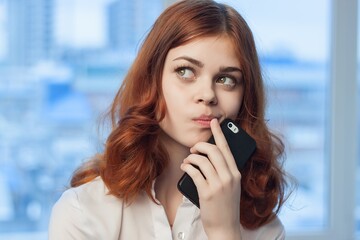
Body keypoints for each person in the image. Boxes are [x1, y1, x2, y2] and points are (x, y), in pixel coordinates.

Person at [49, 0, 291, 239]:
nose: (207, 95)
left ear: (244, 96)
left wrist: (224, 232)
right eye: (185, 71)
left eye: (226, 80)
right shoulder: (81, 213)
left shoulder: (265, 230)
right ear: (152, 81)